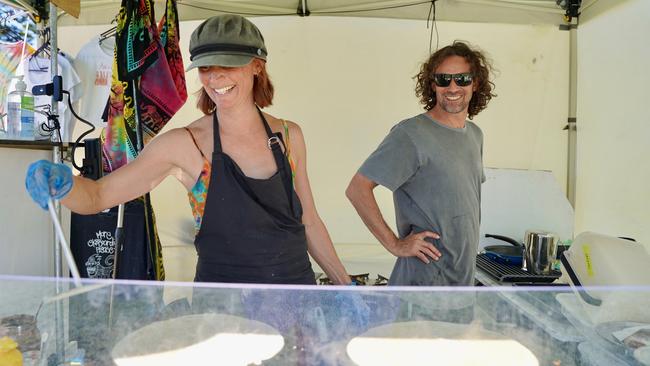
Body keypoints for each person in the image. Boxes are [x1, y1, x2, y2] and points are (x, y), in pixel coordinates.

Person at [25, 14, 352, 286]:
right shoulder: (185, 144)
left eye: (229, 64)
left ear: (257, 65)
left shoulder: (288, 136)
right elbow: (96, 197)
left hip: (297, 299)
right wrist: (64, 185)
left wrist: (345, 286)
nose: (216, 76)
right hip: (223, 310)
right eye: (207, 67)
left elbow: (308, 221)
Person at [346, 41, 496, 287]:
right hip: (424, 283)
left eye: (462, 79)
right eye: (443, 79)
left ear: (476, 82)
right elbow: (357, 188)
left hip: (462, 281)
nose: (453, 87)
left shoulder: (475, 135)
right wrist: (395, 244)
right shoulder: (411, 134)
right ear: (432, 84)